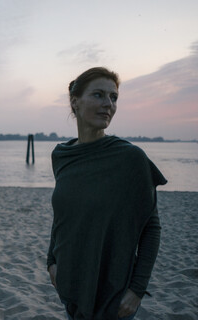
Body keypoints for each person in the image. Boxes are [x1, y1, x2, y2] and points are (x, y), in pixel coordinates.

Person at [46, 67, 167, 320]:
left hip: (113, 294)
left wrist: (137, 290)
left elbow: (151, 228)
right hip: (70, 285)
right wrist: (51, 262)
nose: (108, 105)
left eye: (113, 98)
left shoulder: (130, 158)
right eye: (99, 95)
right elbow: (62, 217)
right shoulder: (61, 155)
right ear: (75, 102)